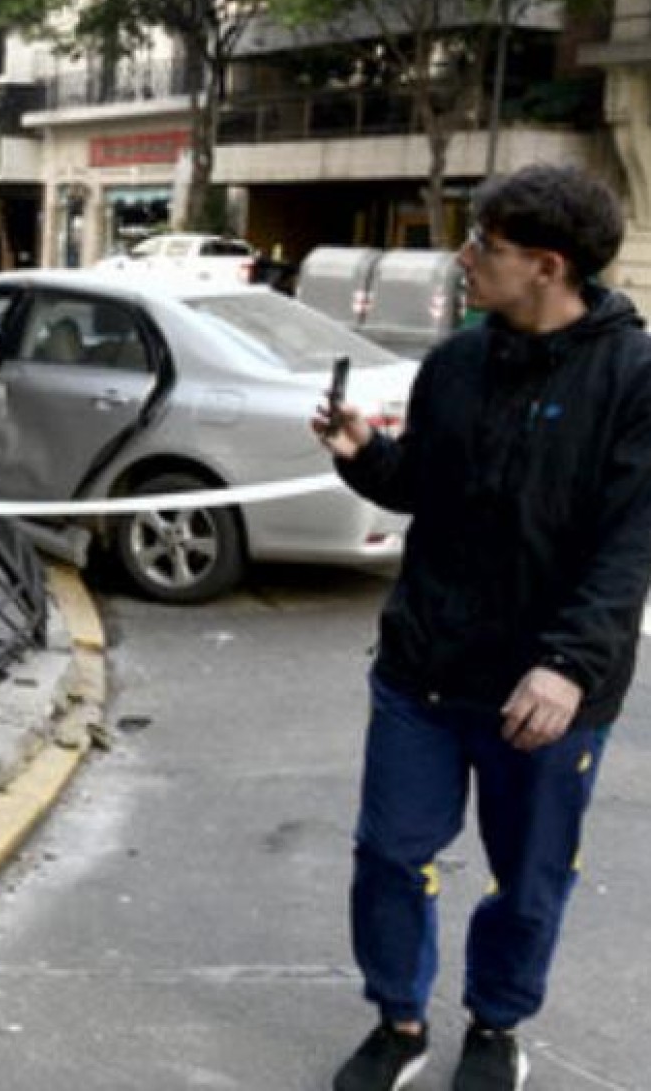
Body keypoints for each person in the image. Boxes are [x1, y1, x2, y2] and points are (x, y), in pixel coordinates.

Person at [315, 164, 651, 1091]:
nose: (462, 259)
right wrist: (367, 457)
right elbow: (427, 487)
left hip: (545, 693)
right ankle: (401, 1019)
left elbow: (632, 546)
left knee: (528, 876)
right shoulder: (458, 360)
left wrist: (569, 667)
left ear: (546, 265)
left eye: (484, 246)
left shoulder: (633, 377)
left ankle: (497, 1026)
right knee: (389, 851)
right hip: (424, 667)